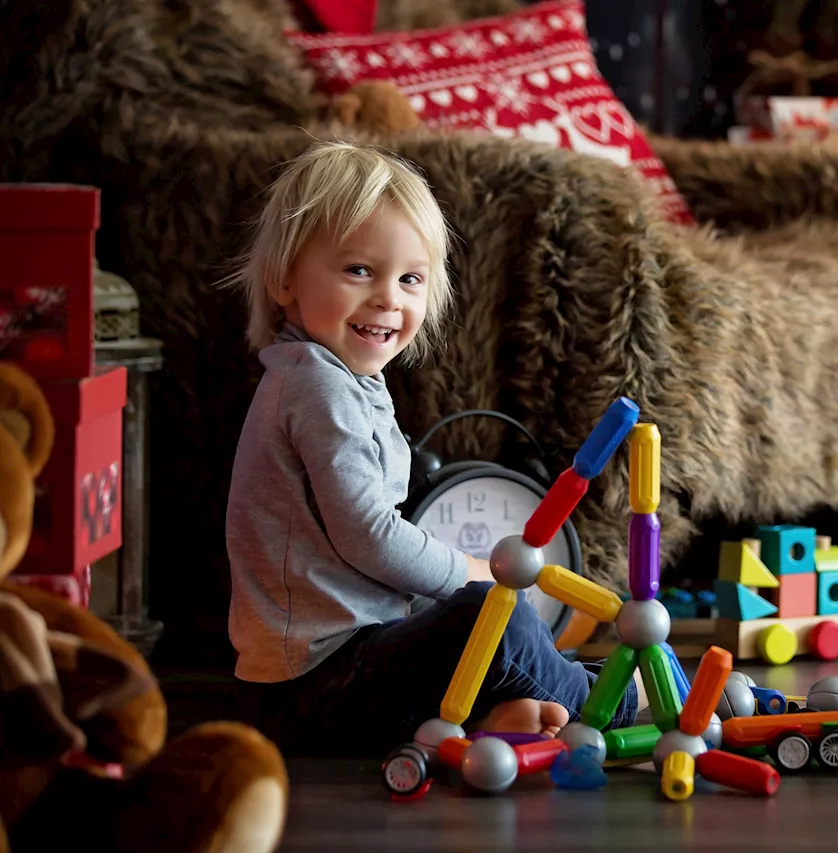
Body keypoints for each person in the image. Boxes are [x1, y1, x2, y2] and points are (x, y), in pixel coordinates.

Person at [221, 141, 639, 756]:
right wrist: (466, 571)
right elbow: (367, 534)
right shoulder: (314, 386)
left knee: (482, 624)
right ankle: (615, 704)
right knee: (484, 614)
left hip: (342, 668)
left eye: (409, 279)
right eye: (359, 270)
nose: (389, 297)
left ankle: (503, 714)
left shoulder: (345, 381)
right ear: (284, 278)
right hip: (312, 689)